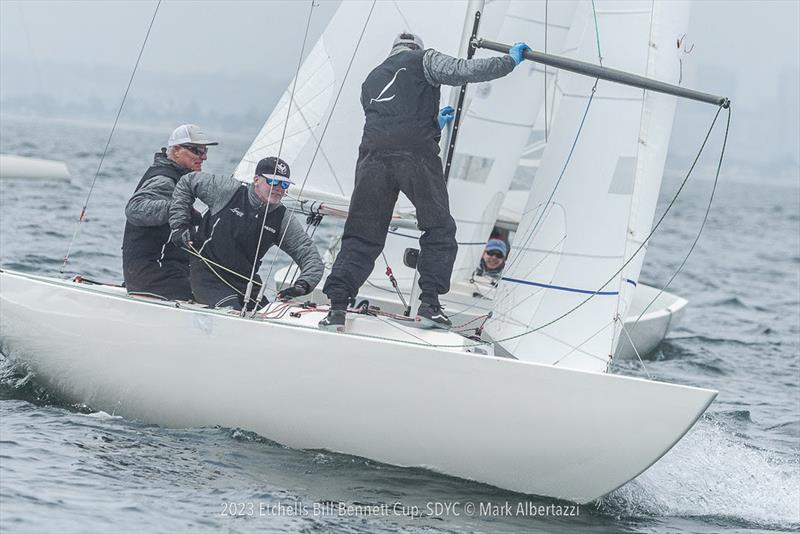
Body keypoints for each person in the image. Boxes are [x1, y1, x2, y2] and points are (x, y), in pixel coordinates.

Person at [319, 32, 530, 331]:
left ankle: (337, 308)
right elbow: (464, 71)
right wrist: (508, 61)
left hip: (371, 159)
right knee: (439, 229)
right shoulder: (425, 60)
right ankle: (430, 304)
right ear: (415, 48)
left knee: (362, 235)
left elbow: (391, 122)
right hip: (415, 156)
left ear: (392, 51)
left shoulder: (370, 80)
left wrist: (434, 125)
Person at [168, 157, 323, 311]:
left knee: (267, 317)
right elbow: (187, 182)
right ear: (256, 180)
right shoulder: (229, 190)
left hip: (247, 282)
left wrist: (303, 285)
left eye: (284, 184)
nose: (279, 188)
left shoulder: (282, 218)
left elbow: (309, 254)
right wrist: (179, 225)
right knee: (232, 311)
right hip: (208, 274)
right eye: (273, 182)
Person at [122, 124, 217, 300]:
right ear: (176, 151)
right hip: (152, 275)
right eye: (197, 150)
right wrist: (178, 208)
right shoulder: (164, 179)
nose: (203, 157)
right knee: (213, 296)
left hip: (169, 271)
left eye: (205, 151)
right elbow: (134, 209)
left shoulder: (179, 178)